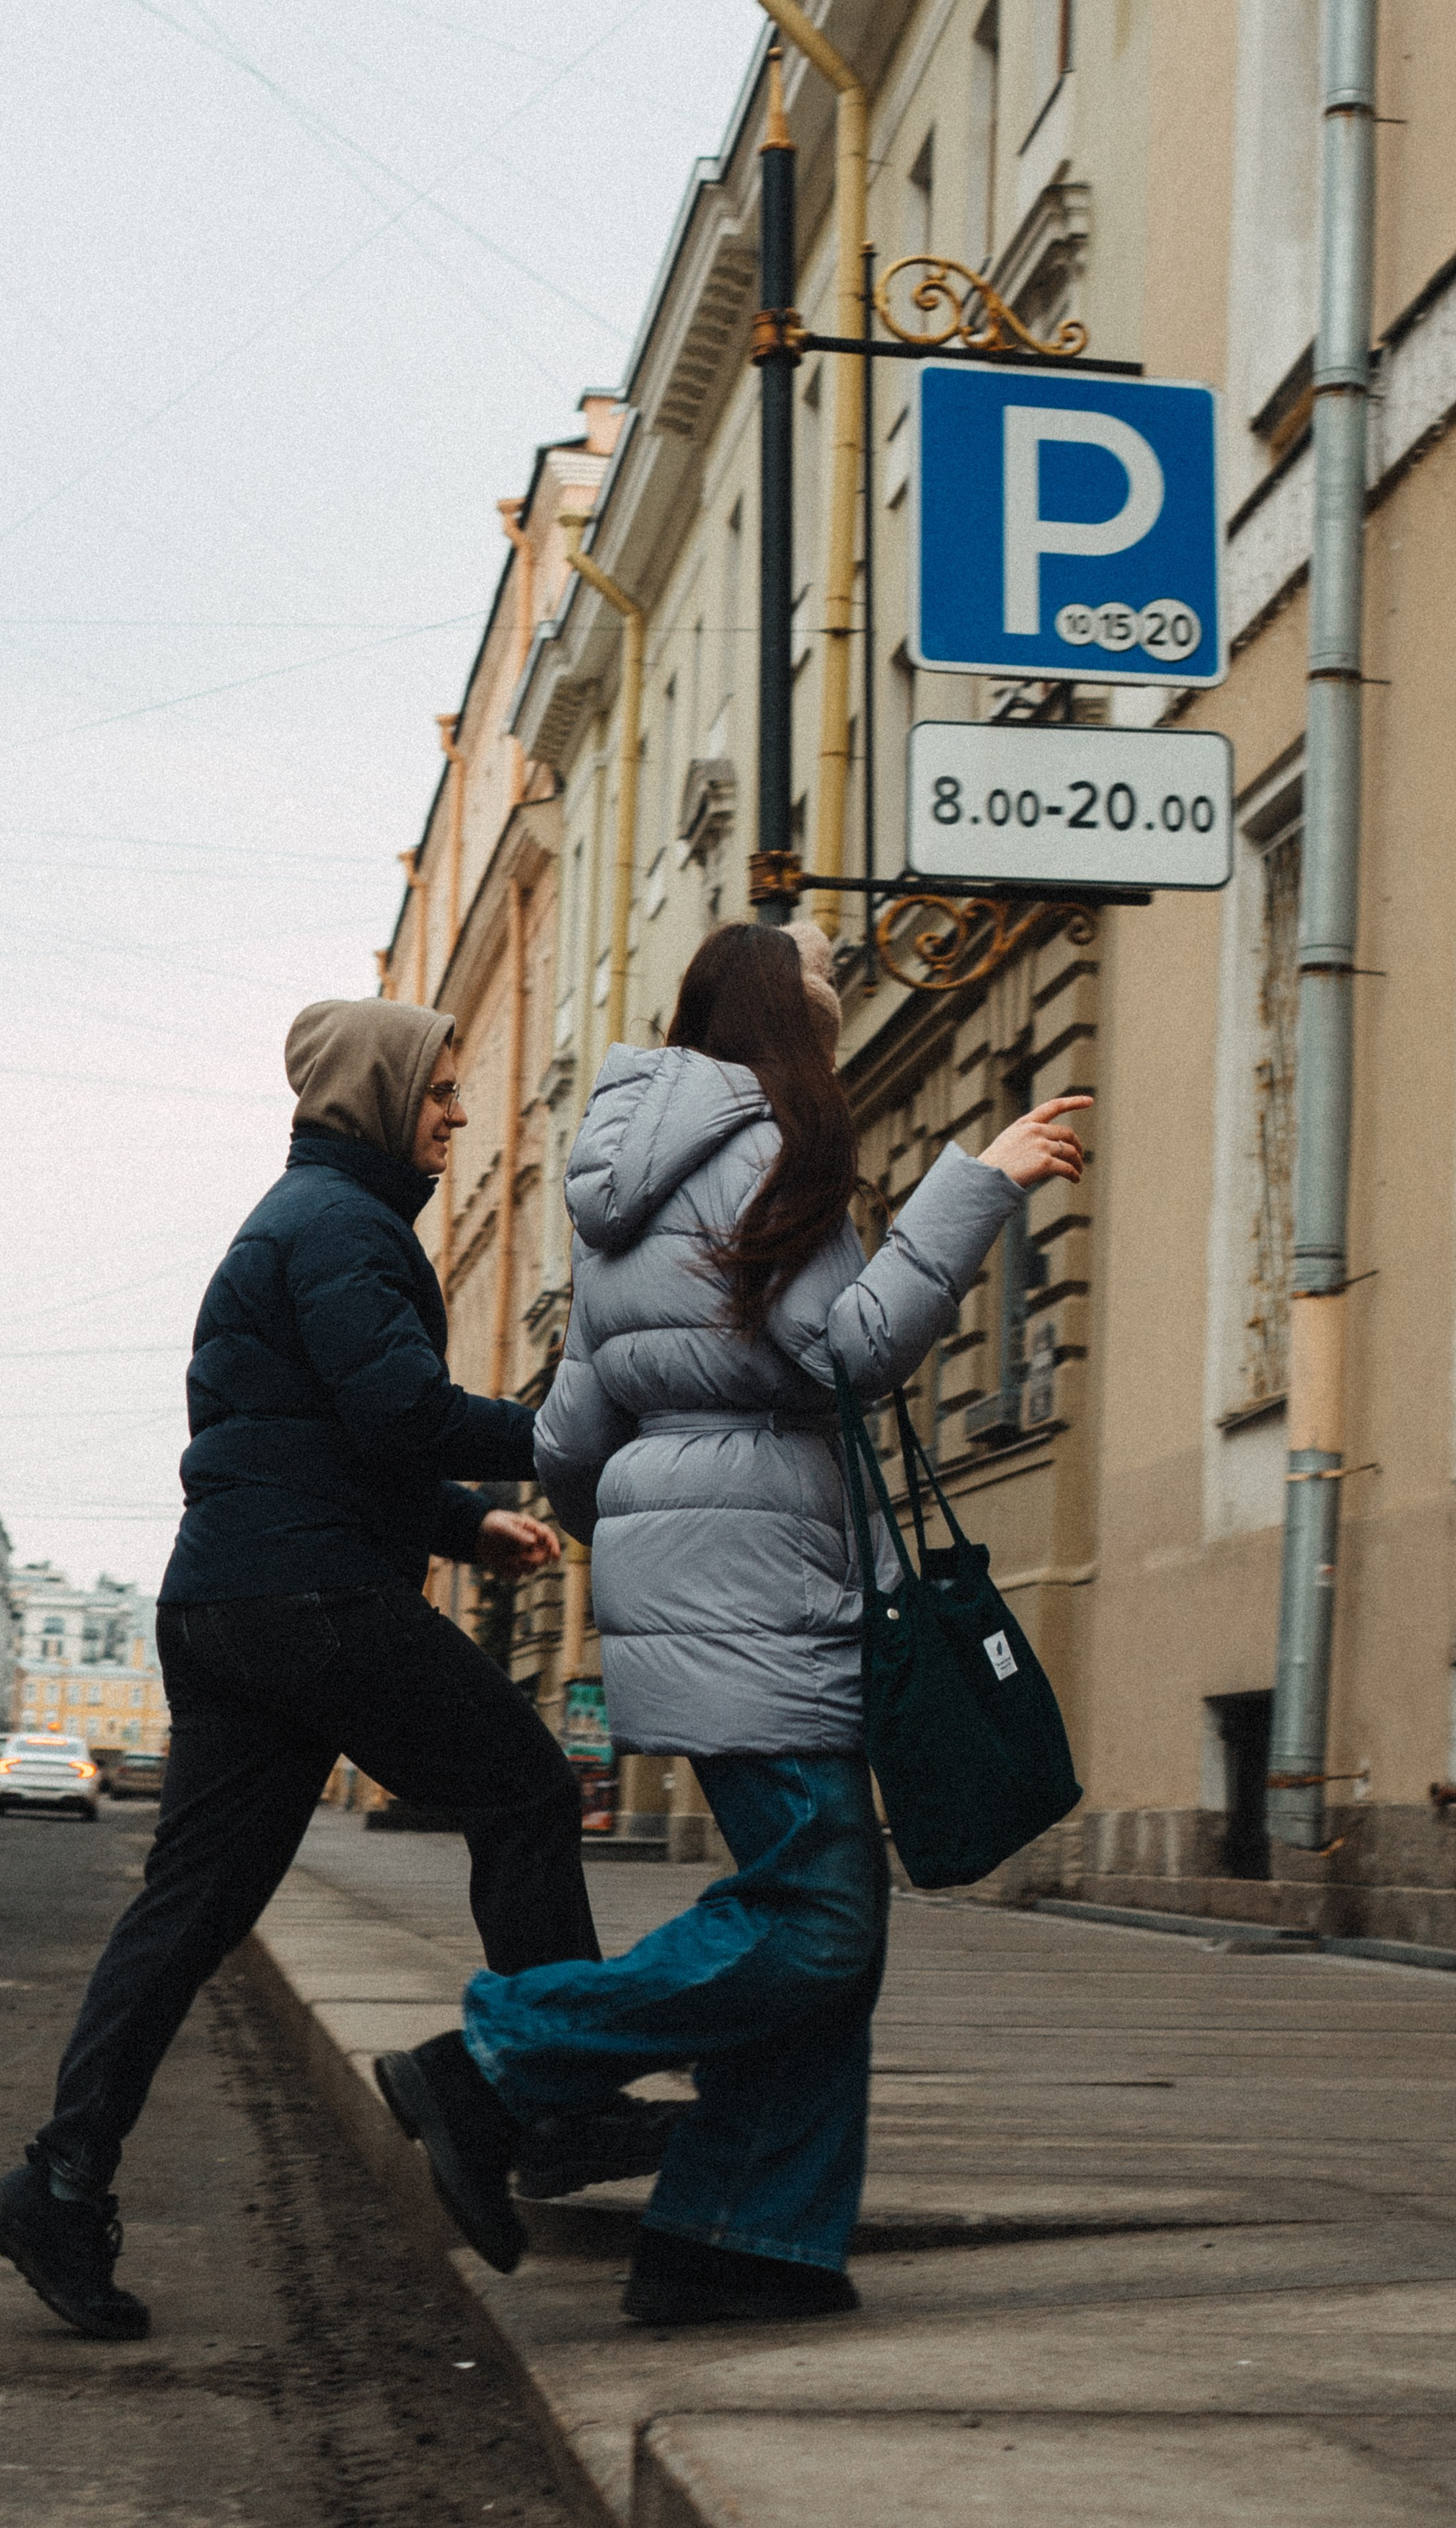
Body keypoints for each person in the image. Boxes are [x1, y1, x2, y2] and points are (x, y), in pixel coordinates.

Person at [372, 925, 1087, 2325]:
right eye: (823, 993)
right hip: (763, 1573)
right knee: (818, 1917)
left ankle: (737, 2236)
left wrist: (645, 1547)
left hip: (688, 1581)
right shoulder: (774, 1149)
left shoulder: (620, 1193)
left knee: (820, 1920)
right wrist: (980, 1183)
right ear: (777, 1018)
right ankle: (497, 2059)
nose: (837, 1011)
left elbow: (572, 1440)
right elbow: (846, 1353)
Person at [0, 995, 674, 2341]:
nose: (460, 1117)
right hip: (309, 1597)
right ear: (377, 1096)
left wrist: (461, 1521)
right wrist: (570, 1434)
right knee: (526, 1792)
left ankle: (60, 2181)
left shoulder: (297, 1222)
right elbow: (400, 1411)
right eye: (442, 1092)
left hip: (230, 1598)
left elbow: (317, 1433)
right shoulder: (345, 1225)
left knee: (190, 1907)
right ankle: (559, 2103)